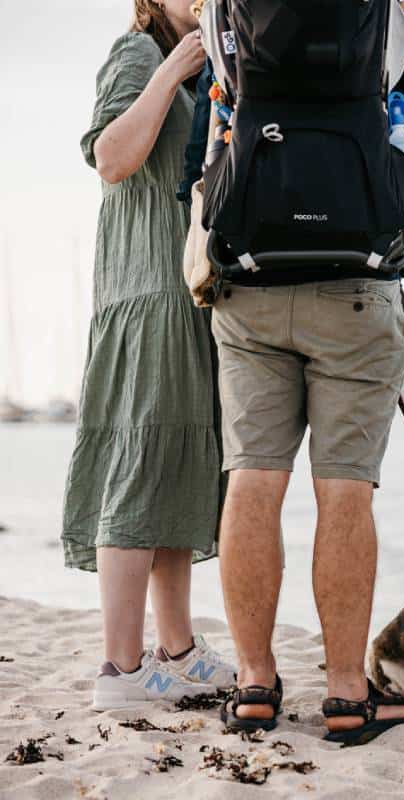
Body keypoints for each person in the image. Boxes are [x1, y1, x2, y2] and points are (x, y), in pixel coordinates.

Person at [212, 10, 404, 744]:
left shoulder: (232, 24)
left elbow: (208, 166)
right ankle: (348, 694)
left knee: (253, 478)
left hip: (251, 290)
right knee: (345, 489)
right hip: (358, 295)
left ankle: (256, 686)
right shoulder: (385, 28)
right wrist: (386, 256)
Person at [64, 0, 236, 710]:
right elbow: (111, 157)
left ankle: (178, 649)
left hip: (186, 293)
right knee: (140, 467)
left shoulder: (209, 66)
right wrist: (171, 68)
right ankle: (120, 669)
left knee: (174, 468)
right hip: (144, 296)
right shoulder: (139, 52)